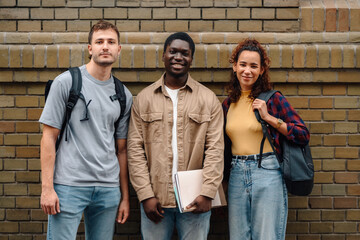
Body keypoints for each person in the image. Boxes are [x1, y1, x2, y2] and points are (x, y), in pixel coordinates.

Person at [39, 20, 132, 240]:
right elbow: (48, 138)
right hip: (69, 186)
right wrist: (47, 189)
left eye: (111, 42)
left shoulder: (123, 94)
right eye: (99, 41)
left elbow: (122, 151)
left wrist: (125, 197)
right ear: (90, 48)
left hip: (108, 189)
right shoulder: (66, 83)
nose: (105, 46)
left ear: (118, 49)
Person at [127, 32, 224, 240]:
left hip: (195, 200)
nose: (178, 57)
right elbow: (135, 151)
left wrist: (207, 193)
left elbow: (215, 150)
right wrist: (145, 195)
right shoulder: (144, 99)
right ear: (163, 55)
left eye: (184, 53)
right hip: (156, 201)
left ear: (191, 59)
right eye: (173, 51)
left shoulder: (208, 99)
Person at [222, 38, 310, 240]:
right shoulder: (228, 104)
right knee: (238, 236)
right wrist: (224, 182)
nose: (247, 70)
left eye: (254, 66)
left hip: (268, 171)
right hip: (236, 174)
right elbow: (225, 148)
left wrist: (269, 118)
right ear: (235, 66)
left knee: (266, 235)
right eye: (243, 64)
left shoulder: (273, 99)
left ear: (261, 70)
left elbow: (302, 134)